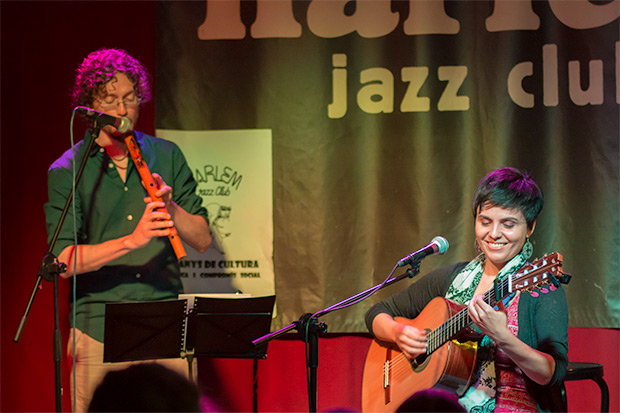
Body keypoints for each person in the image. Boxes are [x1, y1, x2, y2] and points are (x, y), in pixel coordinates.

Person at [44, 48, 211, 412]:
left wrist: (170, 207)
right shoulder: (67, 169)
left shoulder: (166, 154)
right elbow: (63, 261)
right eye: (111, 100)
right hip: (98, 327)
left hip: (165, 323)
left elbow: (201, 239)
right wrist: (132, 242)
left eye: (130, 99)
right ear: (90, 105)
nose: (122, 110)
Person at [365, 167, 568, 412]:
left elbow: (551, 373)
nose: (494, 234)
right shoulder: (452, 277)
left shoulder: (540, 286)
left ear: (530, 227)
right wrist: (398, 333)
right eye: (485, 222)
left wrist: (503, 337)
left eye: (508, 224)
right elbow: (377, 312)